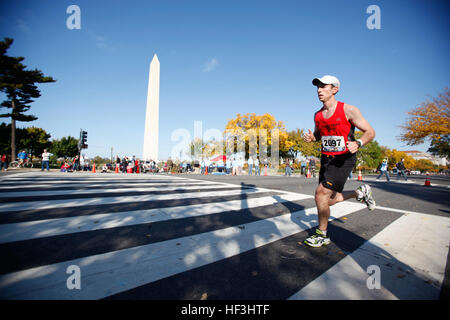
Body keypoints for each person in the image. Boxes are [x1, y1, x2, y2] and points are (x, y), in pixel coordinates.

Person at [303, 75, 376, 248]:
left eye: (323, 86)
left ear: (334, 89)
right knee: (327, 200)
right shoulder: (318, 115)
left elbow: (370, 132)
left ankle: (322, 235)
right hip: (327, 159)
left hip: (344, 158)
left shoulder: (349, 110)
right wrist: (313, 138)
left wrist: (358, 143)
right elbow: (320, 134)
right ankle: (360, 193)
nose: (319, 90)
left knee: (320, 194)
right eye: (318, 87)